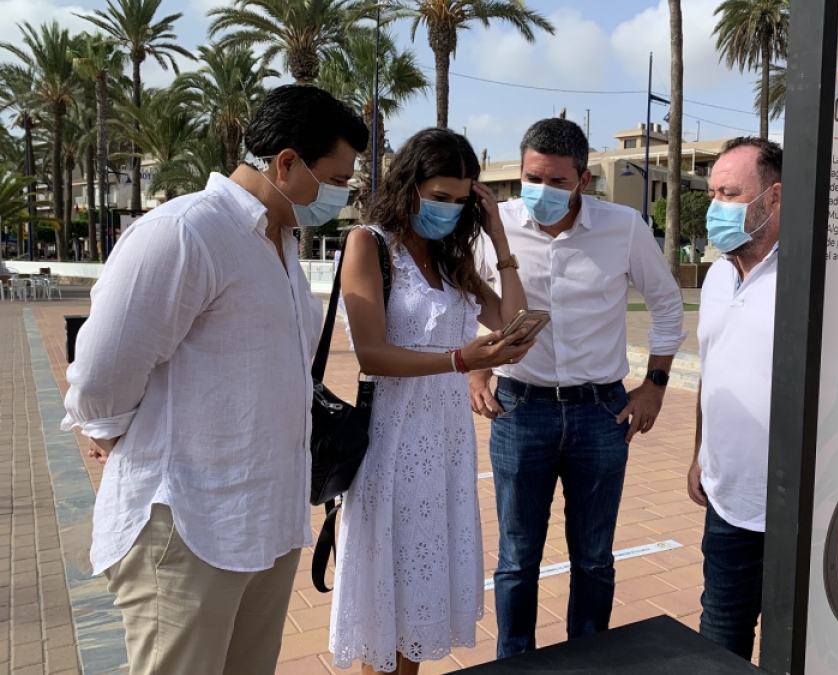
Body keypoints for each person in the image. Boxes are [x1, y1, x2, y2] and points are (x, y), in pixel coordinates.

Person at [59, 85, 367, 675]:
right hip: (188, 524)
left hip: (266, 519)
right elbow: (101, 370)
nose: (341, 195)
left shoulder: (281, 242)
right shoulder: (187, 231)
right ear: (285, 163)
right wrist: (112, 433)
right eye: (335, 179)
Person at [470, 118, 687, 657]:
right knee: (517, 558)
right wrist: (476, 370)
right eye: (531, 178)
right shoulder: (495, 227)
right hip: (520, 407)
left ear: (584, 181)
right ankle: (514, 662)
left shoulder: (623, 227)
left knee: (593, 558)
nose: (541, 191)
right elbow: (464, 295)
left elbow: (666, 303)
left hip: (600, 412)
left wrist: (655, 384)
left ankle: (587, 661)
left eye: (557, 182)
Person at [329, 128, 534, 675]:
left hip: (445, 444)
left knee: (418, 600)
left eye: (461, 200)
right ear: (410, 187)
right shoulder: (369, 244)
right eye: (439, 196)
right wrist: (459, 360)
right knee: (387, 606)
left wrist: (499, 240)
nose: (449, 209)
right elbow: (371, 353)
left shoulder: (451, 259)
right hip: (393, 442)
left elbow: (511, 322)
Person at [687, 136, 783, 660]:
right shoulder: (719, 275)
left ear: (775, 197)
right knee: (721, 638)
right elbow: (713, 371)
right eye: (712, 194)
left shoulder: (808, 277)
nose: (715, 208)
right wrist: (700, 455)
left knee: (789, 648)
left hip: (794, 508)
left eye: (729, 194)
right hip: (727, 502)